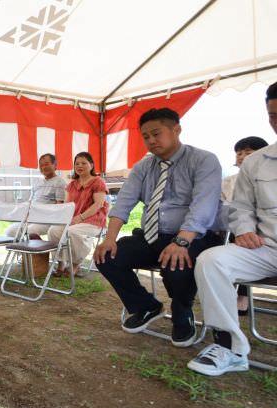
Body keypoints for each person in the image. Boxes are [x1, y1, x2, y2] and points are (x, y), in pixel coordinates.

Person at [94, 108, 223, 348]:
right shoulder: (143, 166)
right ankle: (146, 306)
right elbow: (124, 201)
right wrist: (109, 238)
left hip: (192, 237)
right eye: (145, 136)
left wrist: (182, 241)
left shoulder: (204, 160)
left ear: (176, 129)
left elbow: (204, 205)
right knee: (106, 256)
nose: (151, 141)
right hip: (152, 235)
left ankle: (182, 309)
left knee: (177, 263)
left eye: (156, 133)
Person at [187, 81, 277, 376]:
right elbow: (241, 207)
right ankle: (230, 347)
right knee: (211, 260)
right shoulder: (257, 163)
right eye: (273, 115)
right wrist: (244, 229)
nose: (276, 121)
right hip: (267, 247)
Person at [220, 136, 268, 316]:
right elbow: (222, 207)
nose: (241, 156)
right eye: (239, 153)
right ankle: (228, 291)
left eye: (248, 152)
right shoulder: (228, 181)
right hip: (231, 228)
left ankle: (242, 295)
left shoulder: (269, 178)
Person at [48, 152, 108, 276]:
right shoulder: (71, 184)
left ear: (91, 165)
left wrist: (80, 217)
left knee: (72, 232)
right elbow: (67, 205)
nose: (80, 166)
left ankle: (76, 264)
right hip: (74, 219)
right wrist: (64, 218)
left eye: (84, 163)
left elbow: (98, 205)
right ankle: (61, 263)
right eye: (77, 163)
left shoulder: (98, 182)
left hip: (94, 221)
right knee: (53, 231)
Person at [5, 153, 66, 238]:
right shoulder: (36, 182)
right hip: (32, 217)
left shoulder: (59, 182)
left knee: (29, 231)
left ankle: (40, 250)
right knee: (10, 231)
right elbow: (30, 203)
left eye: (46, 164)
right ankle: (27, 251)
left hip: (47, 220)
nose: (43, 167)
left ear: (55, 165)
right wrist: (26, 217)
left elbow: (60, 206)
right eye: (41, 165)